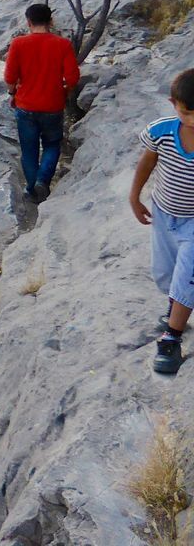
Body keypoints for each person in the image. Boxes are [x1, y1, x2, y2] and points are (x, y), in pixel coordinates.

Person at [129, 69, 194, 374]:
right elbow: (147, 161)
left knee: (188, 274)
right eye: (186, 113)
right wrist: (134, 196)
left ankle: (172, 338)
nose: (193, 120)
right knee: (166, 272)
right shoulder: (161, 131)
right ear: (173, 104)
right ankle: (174, 306)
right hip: (164, 214)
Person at [4, 3, 80, 204]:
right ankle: (42, 181)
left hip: (25, 106)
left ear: (28, 22)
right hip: (53, 105)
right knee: (52, 145)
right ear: (51, 21)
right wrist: (63, 91)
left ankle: (31, 189)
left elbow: (10, 77)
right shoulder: (63, 44)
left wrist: (12, 93)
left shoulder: (18, 43)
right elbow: (72, 78)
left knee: (29, 150)